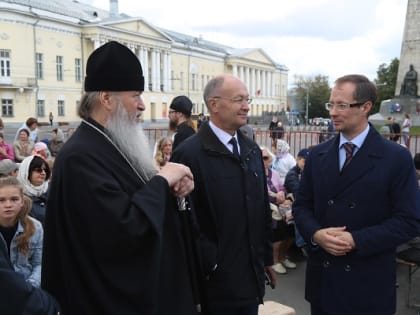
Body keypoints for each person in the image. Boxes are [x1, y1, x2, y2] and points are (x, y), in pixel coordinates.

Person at [41, 41, 199, 315]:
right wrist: (162, 181)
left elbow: (139, 199)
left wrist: (174, 190)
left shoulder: (112, 143)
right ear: (106, 98)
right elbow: (121, 231)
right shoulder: (80, 157)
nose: (141, 105)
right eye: (135, 95)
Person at [293, 74, 420, 315]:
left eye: (342, 105)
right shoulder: (317, 155)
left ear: (366, 107)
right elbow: (301, 207)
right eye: (331, 104)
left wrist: (356, 240)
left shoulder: (396, 158)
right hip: (323, 282)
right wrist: (316, 234)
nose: (332, 112)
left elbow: (409, 221)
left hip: (367, 285)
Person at [171, 74, 275, 315]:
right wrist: (212, 264)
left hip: (250, 279)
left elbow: (261, 211)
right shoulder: (189, 154)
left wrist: (266, 259)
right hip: (213, 287)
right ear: (214, 104)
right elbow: (184, 223)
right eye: (239, 99)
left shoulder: (250, 150)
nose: (246, 106)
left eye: (247, 99)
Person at [0, 225, 59, 315]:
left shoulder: (35, 227)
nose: (8, 209)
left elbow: (39, 263)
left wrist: (31, 284)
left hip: (29, 289)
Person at [0, 177, 43, 288]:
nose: (8, 205)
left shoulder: (35, 227)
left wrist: (30, 288)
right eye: (1, 200)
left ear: (22, 202)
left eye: (14, 199)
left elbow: (38, 264)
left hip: (27, 286)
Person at [262, 146, 295, 275]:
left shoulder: (273, 173)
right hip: (268, 207)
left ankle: (282, 256)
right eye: (261, 158)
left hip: (280, 205)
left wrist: (284, 195)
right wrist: (276, 197)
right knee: (279, 230)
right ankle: (275, 261)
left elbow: (282, 187)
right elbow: (261, 193)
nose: (263, 160)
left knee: (292, 229)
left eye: (265, 158)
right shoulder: (255, 174)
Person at [285, 148, 310, 256]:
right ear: (298, 159)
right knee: (301, 212)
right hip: (291, 204)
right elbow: (299, 192)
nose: (306, 164)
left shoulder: (305, 173)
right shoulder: (292, 174)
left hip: (300, 202)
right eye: (304, 161)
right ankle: (302, 244)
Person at [17, 155, 51, 226]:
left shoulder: (53, 190)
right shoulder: (17, 195)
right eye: (39, 170)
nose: (43, 173)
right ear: (27, 172)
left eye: (45, 170)